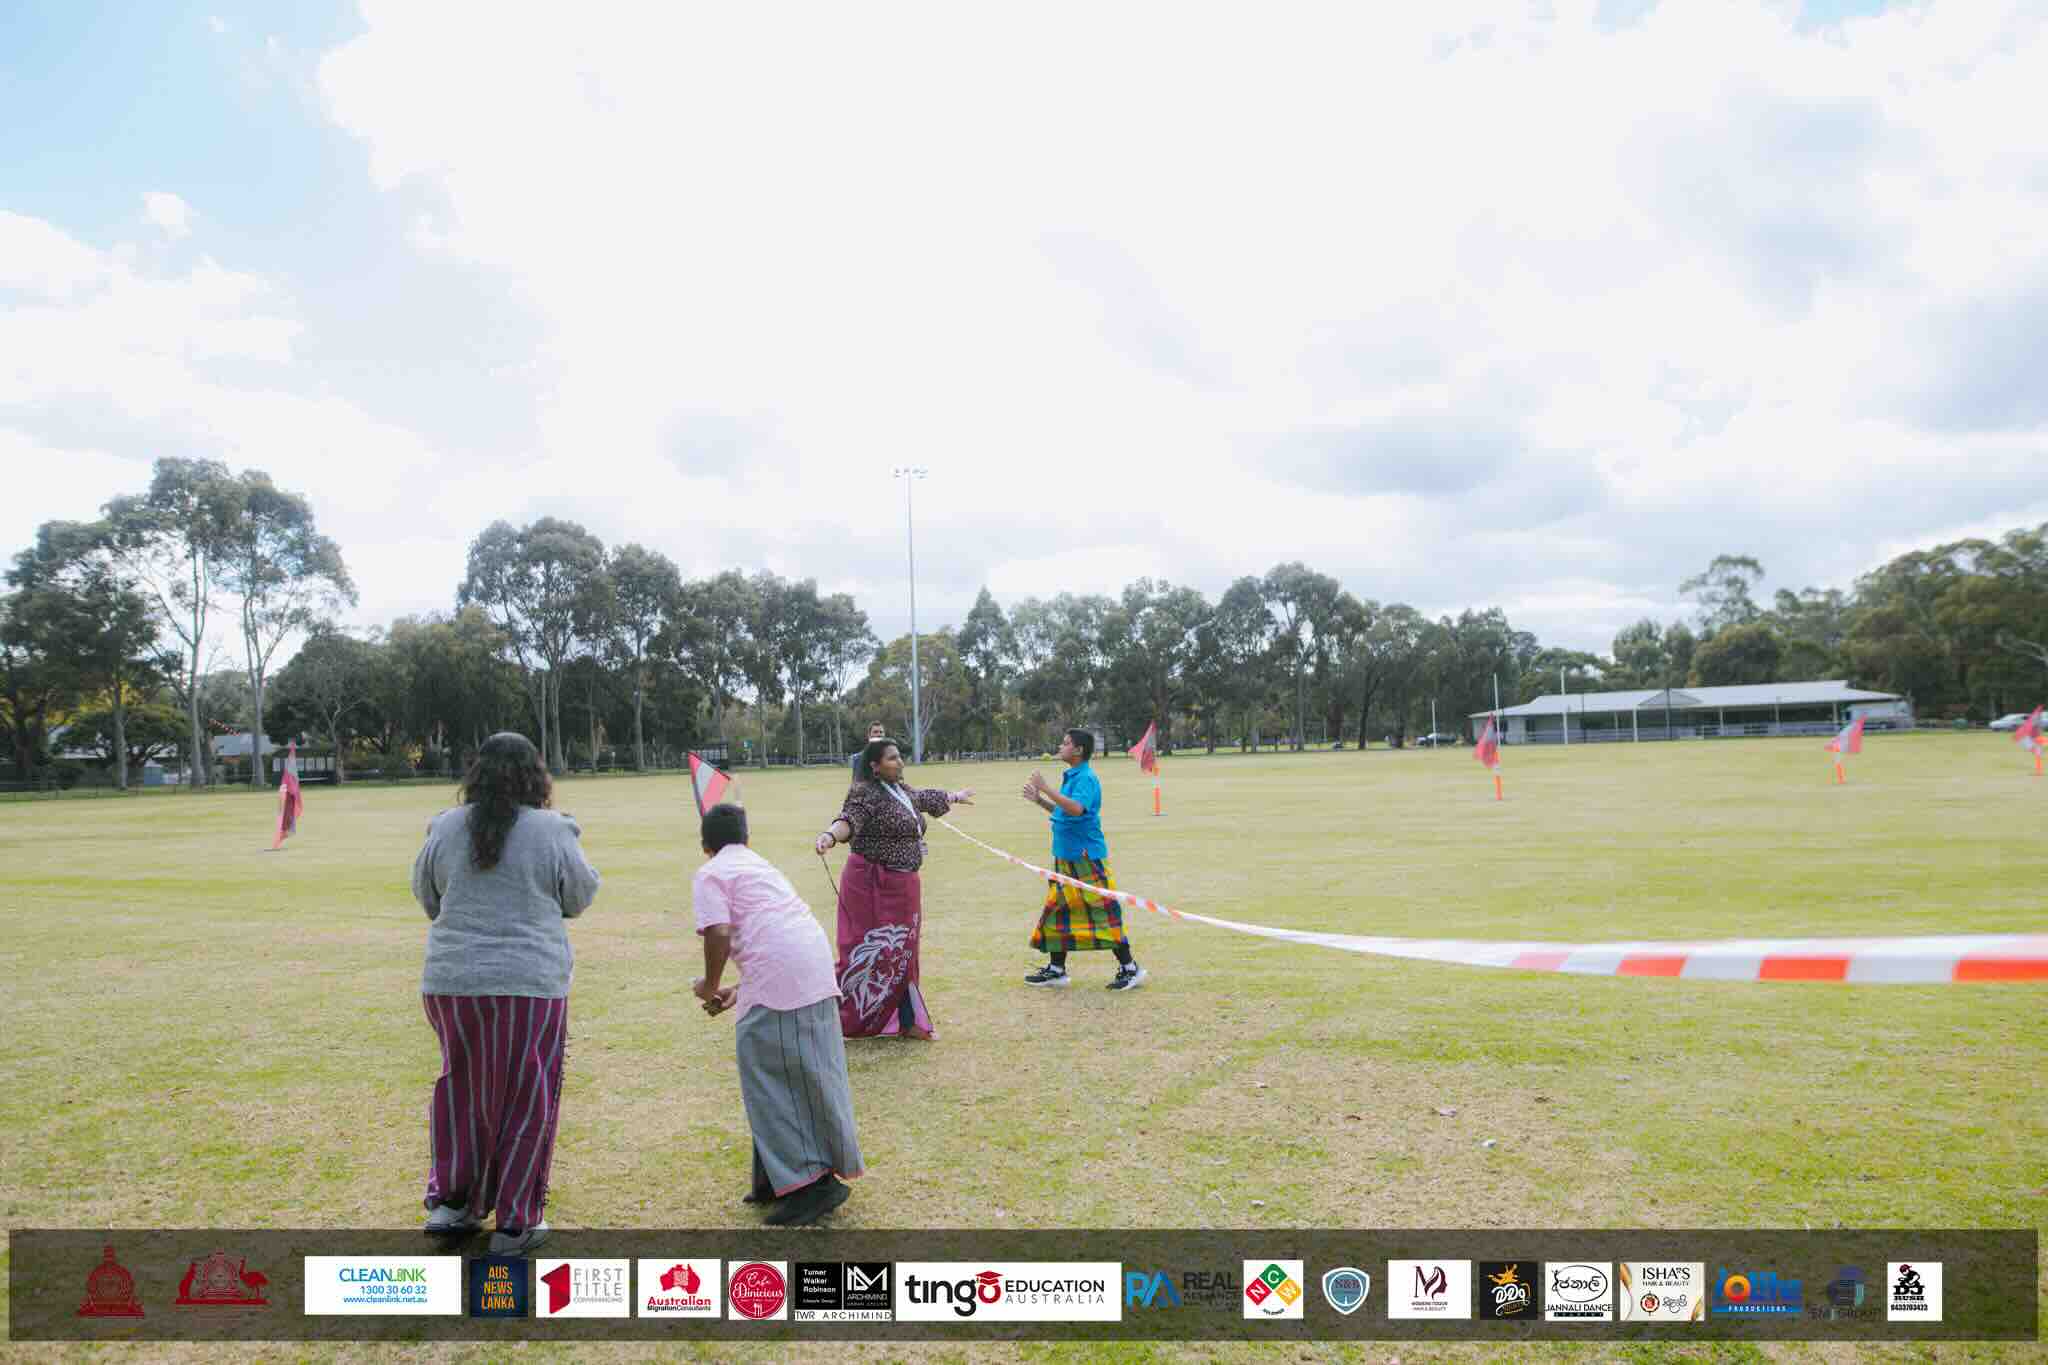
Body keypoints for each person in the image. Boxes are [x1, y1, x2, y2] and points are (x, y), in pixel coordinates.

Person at [411, 731, 600, 1254]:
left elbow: (428, 896)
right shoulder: (552, 830)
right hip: (529, 987)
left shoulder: (445, 827)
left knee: (461, 1091)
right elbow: (579, 895)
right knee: (527, 1097)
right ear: (536, 775)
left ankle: (453, 1203)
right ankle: (516, 1221)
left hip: (452, 982)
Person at [692, 803, 863, 1226]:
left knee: (770, 1078)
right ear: (746, 838)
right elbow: (772, 933)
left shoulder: (711, 873)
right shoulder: (758, 864)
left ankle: (813, 1186)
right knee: (803, 1075)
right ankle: (773, 1177)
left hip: (784, 982)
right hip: (813, 970)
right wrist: (739, 988)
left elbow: (718, 932)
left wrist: (710, 986)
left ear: (704, 846)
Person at [815, 738, 974, 1039]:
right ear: (874, 767)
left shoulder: (901, 790)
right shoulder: (864, 793)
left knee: (904, 952)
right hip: (871, 885)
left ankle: (908, 1020)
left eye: (899, 757)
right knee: (866, 953)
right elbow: (848, 821)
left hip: (904, 887)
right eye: (891, 759)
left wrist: (955, 796)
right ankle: (835, 1019)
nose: (899, 762)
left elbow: (925, 798)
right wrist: (829, 836)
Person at [1022, 727, 1146, 990]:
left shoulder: (1086, 778)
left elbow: (1077, 809)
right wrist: (1040, 800)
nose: (1061, 746)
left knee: (1103, 910)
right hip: (1066, 856)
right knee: (1058, 911)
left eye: (1066, 743)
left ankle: (1130, 968)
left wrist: (1046, 787)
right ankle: (1057, 970)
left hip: (1086, 857)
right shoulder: (1072, 777)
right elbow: (1064, 811)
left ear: (1078, 750)